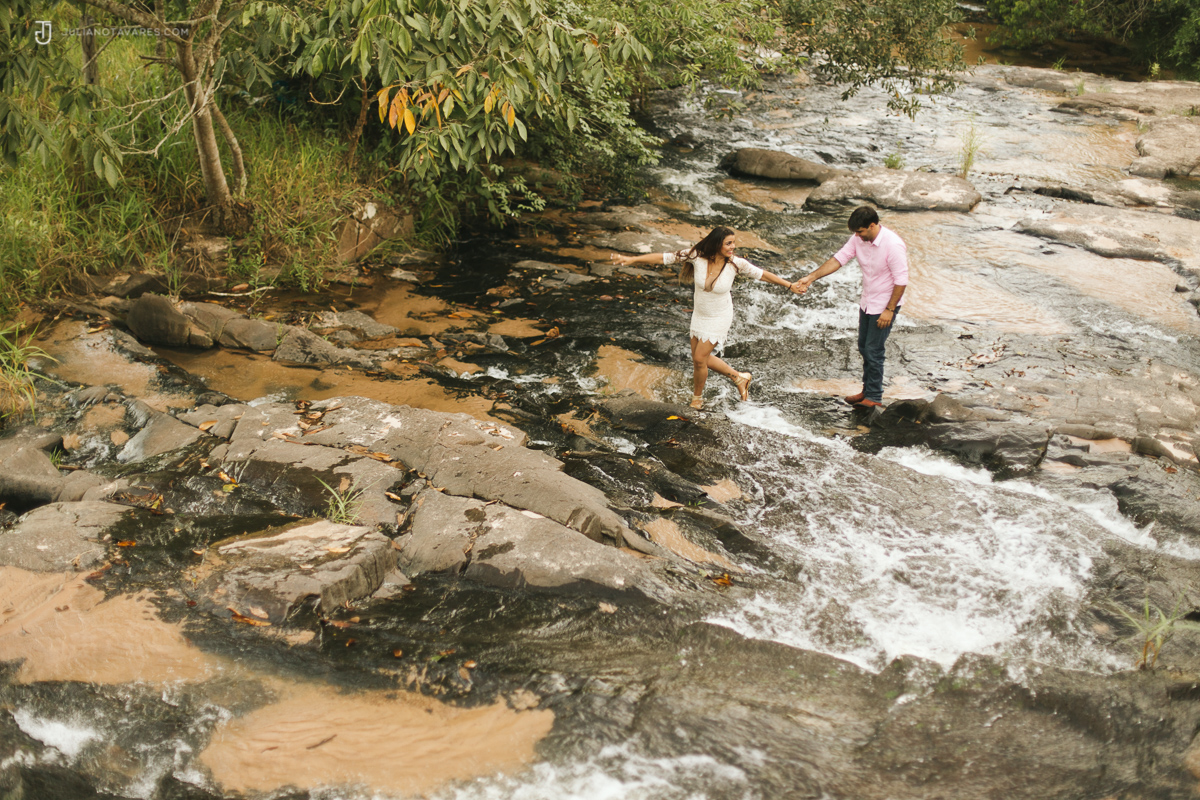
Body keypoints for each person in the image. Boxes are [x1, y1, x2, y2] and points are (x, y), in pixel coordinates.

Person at [611, 226, 797, 409]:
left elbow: (763, 275)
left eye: (734, 243)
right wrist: (632, 259)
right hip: (700, 314)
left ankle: (697, 399)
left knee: (700, 358)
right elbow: (664, 257)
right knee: (699, 358)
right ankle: (739, 377)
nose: (733, 247)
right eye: (728, 243)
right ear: (716, 244)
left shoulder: (735, 263)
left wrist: (789, 285)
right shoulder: (696, 255)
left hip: (720, 315)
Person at [792, 206, 908, 409]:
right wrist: (811, 278)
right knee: (864, 347)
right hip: (867, 301)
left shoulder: (893, 244)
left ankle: (875, 396)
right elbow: (839, 259)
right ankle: (867, 390)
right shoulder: (858, 239)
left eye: (860, 231)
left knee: (874, 350)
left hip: (885, 306)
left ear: (872, 226)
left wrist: (889, 310)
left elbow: (901, 280)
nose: (857, 236)